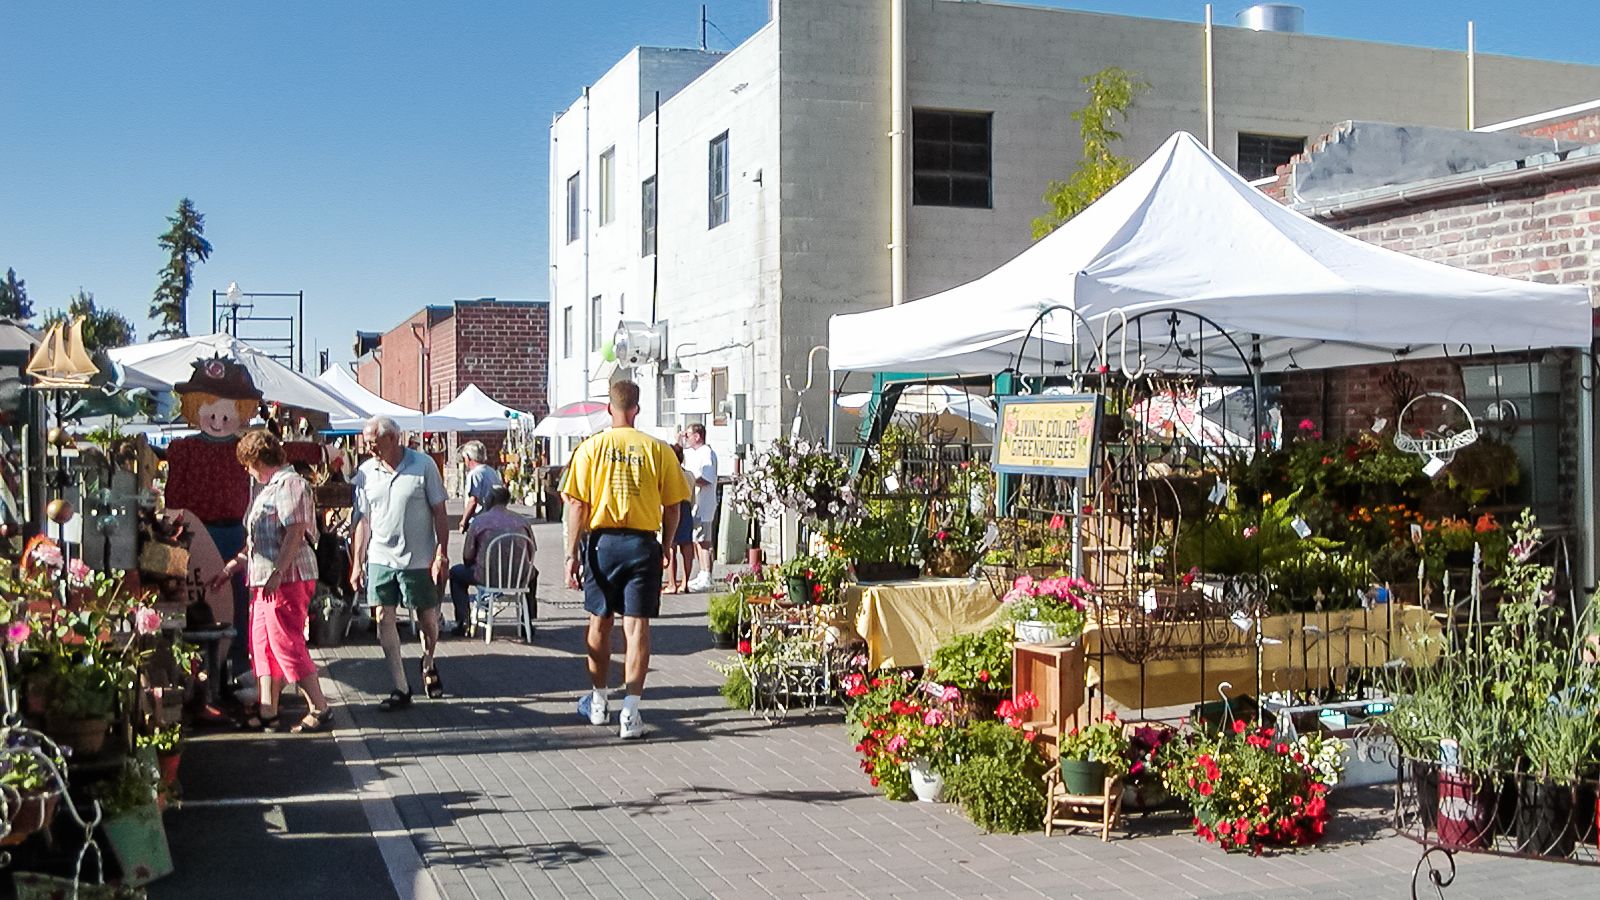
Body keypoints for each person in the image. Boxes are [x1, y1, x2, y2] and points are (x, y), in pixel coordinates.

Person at [561, 380, 689, 739]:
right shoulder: (658, 450)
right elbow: (673, 505)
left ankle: (599, 700)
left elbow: (576, 504)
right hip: (641, 543)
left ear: (608, 409)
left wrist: (571, 553)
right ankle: (631, 711)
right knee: (637, 628)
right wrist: (666, 546)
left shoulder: (590, 448)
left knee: (599, 622)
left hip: (602, 543)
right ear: (637, 409)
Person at [210, 429, 333, 733]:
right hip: (264, 579)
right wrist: (232, 568)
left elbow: (294, 531)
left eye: (246, 462)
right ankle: (269, 710)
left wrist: (278, 570)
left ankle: (320, 706)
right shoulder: (267, 488)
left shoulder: (290, 484)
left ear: (257, 458)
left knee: (286, 642)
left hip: (286, 578)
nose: (245, 469)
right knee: (263, 645)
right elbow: (257, 542)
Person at [349, 415, 451, 710]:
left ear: (393, 438)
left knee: (426, 619)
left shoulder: (424, 466)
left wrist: (440, 553)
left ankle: (428, 660)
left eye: (373, 443)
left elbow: (440, 513)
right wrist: (357, 561)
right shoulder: (366, 472)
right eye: (366, 443)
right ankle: (400, 686)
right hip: (381, 557)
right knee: (383, 617)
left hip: (418, 558)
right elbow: (363, 521)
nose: (369, 449)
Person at [449, 485, 536, 633]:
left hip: (486, 575)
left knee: (456, 573)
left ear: (489, 500)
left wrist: (474, 563)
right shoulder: (522, 521)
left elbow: (467, 555)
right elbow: (531, 550)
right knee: (533, 573)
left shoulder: (479, 522)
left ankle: (463, 620)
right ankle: (527, 619)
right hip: (518, 576)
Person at [681, 423, 719, 592]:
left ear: (697, 436)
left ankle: (707, 575)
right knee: (697, 539)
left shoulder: (707, 453)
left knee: (704, 541)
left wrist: (690, 480)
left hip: (705, 504)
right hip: (694, 504)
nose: (686, 438)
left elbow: (706, 478)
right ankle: (702, 573)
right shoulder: (692, 453)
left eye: (688, 435)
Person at [663, 443, 696, 594]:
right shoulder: (689, 475)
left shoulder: (668, 475)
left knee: (671, 545)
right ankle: (685, 582)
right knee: (686, 545)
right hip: (687, 508)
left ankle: (672, 583)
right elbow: (693, 497)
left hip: (672, 506)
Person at [458, 441, 503, 533]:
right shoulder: (492, 472)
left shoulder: (474, 474)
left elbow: (473, 500)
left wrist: (464, 521)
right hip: (493, 518)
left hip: (479, 520)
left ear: (469, 457)